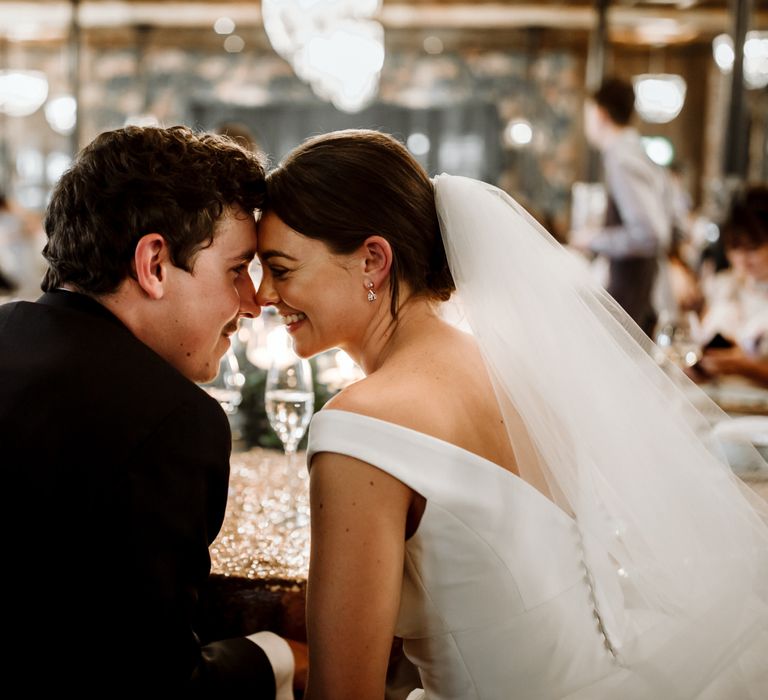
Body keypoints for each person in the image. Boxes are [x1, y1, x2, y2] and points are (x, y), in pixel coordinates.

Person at [254, 129, 768, 699]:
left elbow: (343, 694)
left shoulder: (359, 426)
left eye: (280, 268)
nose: (261, 297)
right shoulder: (515, 372)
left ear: (374, 260)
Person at [0, 126, 304, 695]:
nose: (252, 302)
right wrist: (277, 657)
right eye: (237, 270)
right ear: (155, 264)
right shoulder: (173, 423)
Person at [571, 77, 672, 337]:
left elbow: (649, 234)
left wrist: (594, 239)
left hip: (631, 292)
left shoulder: (622, 158)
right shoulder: (637, 152)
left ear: (600, 114)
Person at [696, 185, 768, 387]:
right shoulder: (725, 286)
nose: (743, 260)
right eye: (735, 249)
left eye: (753, 249)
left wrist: (744, 367)